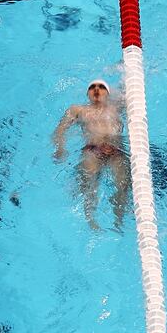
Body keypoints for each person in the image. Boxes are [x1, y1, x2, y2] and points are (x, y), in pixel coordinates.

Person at [52, 79, 132, 231]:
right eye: (92, 87)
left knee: (123, 187)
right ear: (87, 93)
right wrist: (60, 148)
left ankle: (118, 221)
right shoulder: (78, 110)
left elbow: (129, 89)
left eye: (101, 87)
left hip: (116, 151)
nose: (96, 89)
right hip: (92, 150)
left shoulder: (116, 107)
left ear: (108, 93)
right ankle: (92, 221)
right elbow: (59, 131)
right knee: (89, 185)